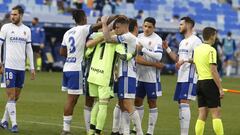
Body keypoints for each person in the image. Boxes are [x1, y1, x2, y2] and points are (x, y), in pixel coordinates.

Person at [59, 9, 115, 135]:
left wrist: (73, 54)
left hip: (67, 67)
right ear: (84, 18)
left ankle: (70, 129)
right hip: (76, 69)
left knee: (72, 99)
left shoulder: (68, 32)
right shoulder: (83, 29)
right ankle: (68, 130)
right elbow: (100, 25)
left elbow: (62, 52)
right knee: (75, 99)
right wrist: (115, 17)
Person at [87, 16, 136, 135]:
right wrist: (134, 53)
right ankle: (97, 132)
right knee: (103, 105)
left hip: (92, 74)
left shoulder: (96, 38)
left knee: (96, 103)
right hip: (104, 76)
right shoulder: (115, 41)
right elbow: (123, 57)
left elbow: (88, 52)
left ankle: (91, 131)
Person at [163, 16, 202, 135]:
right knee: (181, 104)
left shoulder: (196, 41)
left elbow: (199, 59)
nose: (179, 26)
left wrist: (184, 61)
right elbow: (177, 59)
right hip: (181, 77)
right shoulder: (182, 42)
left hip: (190, 77)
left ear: (188, 25)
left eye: (181, 24)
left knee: (184, 102)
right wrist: (167, 49)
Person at [0, 5, 35, 133]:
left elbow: (29, 49)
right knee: (11, 95)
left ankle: (4, 120)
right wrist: (0, 62)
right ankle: (14, 124)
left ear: (21, 15)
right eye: (11, 14)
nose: (12, 16)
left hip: (21, 68)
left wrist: (32, 67)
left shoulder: (27, 30)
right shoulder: (6, 28)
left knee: (16, 97)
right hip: (9, 67)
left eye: (15, 14)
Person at [109, 18, 143, 135]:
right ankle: (125, 132)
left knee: (128, 104)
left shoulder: (128, 37)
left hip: (128, 75)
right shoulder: (128, 39)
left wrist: (104, 25)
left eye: (118, 27)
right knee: (123, 104)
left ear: (125, 26)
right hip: (123, 74)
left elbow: (108, 39)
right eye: (115, 27)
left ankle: (139, 132)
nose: (116, 30)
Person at [131, 17, 163, 135]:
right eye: (145, 26)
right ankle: (136, 129)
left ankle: (150, 131)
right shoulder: (138, 37)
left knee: (152, 102)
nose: (147, 29)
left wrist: (143, 49)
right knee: (137, 101)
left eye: (149, 27)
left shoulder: (157, 39)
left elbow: (158, 57)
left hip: (152, 77)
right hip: (139, 76)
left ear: (153, 27)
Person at [194, 27, 224, 135]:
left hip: (199, 82)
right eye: (215, 35)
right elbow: (213, 70)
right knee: (216, 113)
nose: (216, 37)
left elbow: (196, 67)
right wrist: (220, 88)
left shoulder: (197, 49)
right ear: (211, 36)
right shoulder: (211, 50)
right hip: (209, 83)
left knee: (202, 114)